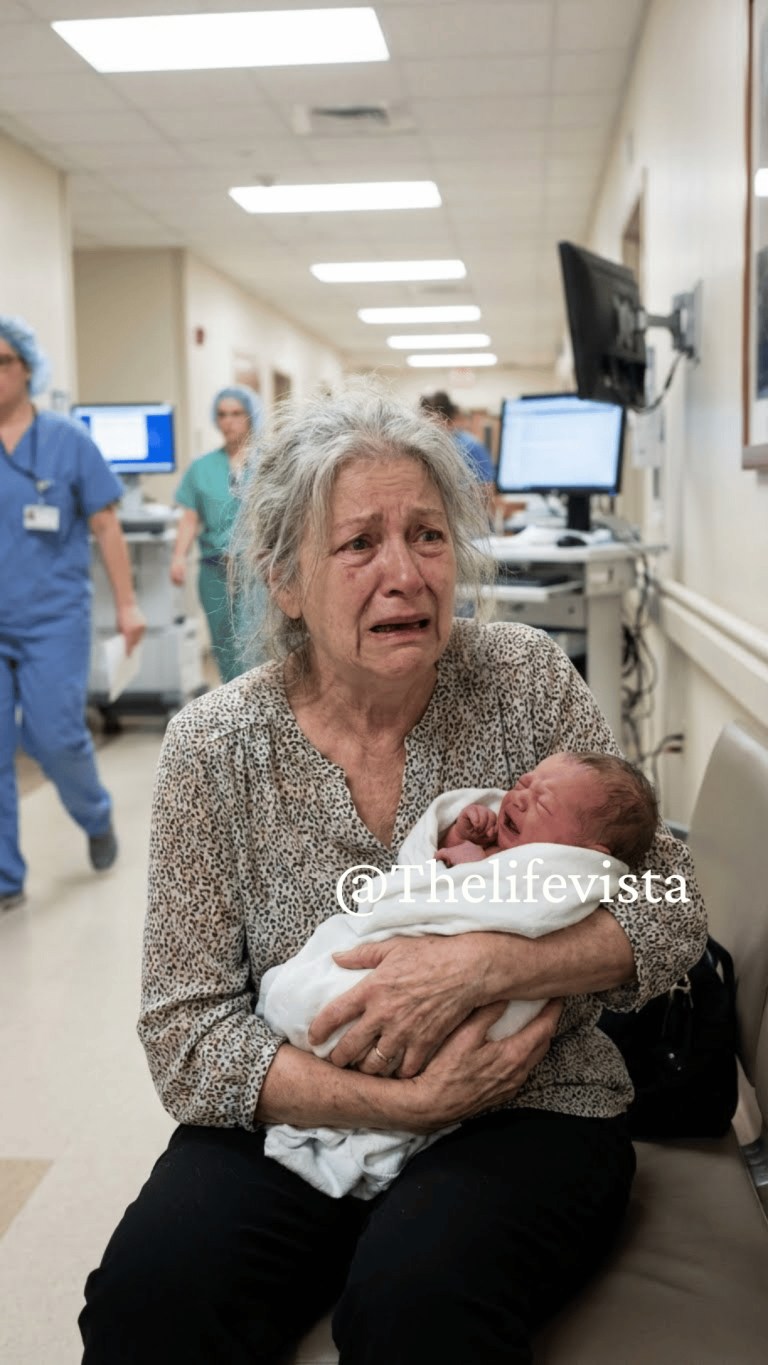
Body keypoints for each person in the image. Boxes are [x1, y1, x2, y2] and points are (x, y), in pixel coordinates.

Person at [80, 381, 707, 1365]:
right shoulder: (213, 745)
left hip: (528, 1097)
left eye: (426, 535)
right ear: (286, 580)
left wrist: (489, 970)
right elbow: (186, 1037)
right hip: (304, 1106)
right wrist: (404, 1106)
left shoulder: (524, 678)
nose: (405, 573)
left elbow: (670, 901)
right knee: (148, 1306)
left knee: (419, 1308)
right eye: (360, 543)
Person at [257, 752, 659, 1200]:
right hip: (294, 1083)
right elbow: (417, 871)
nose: (520, 798)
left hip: (516, 1081)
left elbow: (489, 905)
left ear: (589, 855)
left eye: (542, 806)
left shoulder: (560, 877)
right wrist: (453, 837)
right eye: (523, 783)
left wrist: (464, 873)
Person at [0, 315, 146, 912]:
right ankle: (6, 878)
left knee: (55, 735)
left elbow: (106, 525)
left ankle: (95, 814)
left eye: (2, 362)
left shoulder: (67, 441)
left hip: (52, 618)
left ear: (28, 369)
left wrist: (129, 605)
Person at [170, 383, 263, 682]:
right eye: (222, 414)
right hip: (214, 571)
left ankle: (260, 711)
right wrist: (178, 558)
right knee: (223, 646)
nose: (229, 421)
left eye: (236, 413)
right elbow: (189, 516)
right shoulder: (202, 468)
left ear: (250, 416)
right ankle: (233, 712)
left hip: (256, 572)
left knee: (256, 643)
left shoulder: (268, 463)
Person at [419, 388, 495, 486]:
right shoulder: (424, 445)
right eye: (424, 416)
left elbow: (487, 487)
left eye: (430, 416)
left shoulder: (471, 446)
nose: (426, 422)